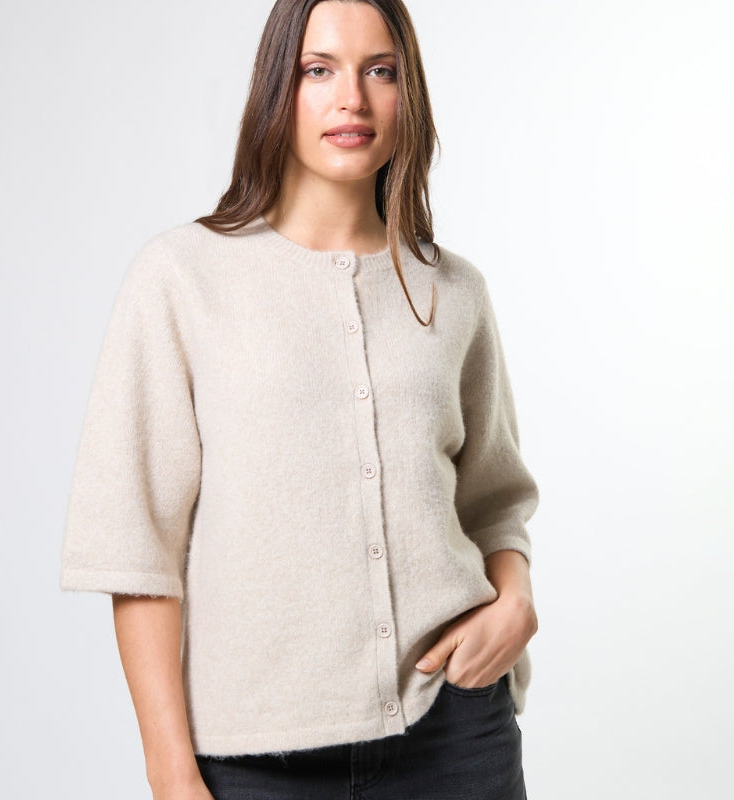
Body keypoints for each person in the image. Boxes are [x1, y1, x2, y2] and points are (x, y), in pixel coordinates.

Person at [60, 0, 539, 798]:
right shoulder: (182, 279)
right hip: (256, 760)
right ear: (276, 91)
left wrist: (515, 598)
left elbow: (494, 503)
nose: (352, 98)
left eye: (380, 71)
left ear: (409, 94)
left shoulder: (454, 292)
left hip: (455, 734)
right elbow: (138, 547)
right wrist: (170, 770)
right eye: (319, 70)